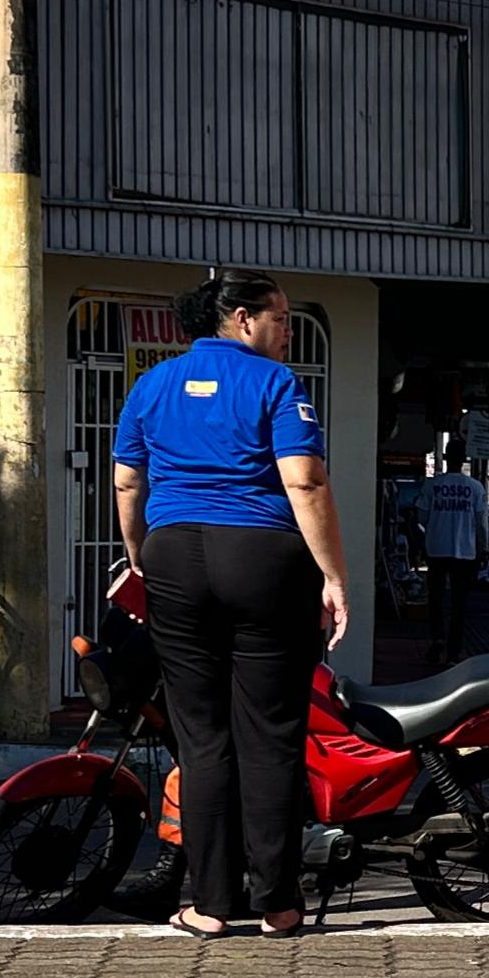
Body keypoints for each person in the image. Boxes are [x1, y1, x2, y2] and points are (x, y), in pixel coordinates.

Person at [111, 269, 350, 939]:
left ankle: (211, 904)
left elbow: (128, 481)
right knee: (270, 736)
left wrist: (139, 556)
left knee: (202, 737)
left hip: (175, 557)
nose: (288, 331)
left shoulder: (152, 384)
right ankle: (278, 903)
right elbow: (303, 479)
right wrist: (334, 576)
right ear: (243, 319)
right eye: (281, 318)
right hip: (264, 561)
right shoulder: (275, 385)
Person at [421, 444, 489, 664]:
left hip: (436, 548)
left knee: (436, 598)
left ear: (446, 458)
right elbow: (481, 523)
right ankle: (454, 650)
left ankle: (437, 639)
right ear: (464, 460)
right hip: (465, 550)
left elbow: (422, 516)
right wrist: (483, 548)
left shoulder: (433, 485)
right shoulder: (475, 487)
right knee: (459, 603)